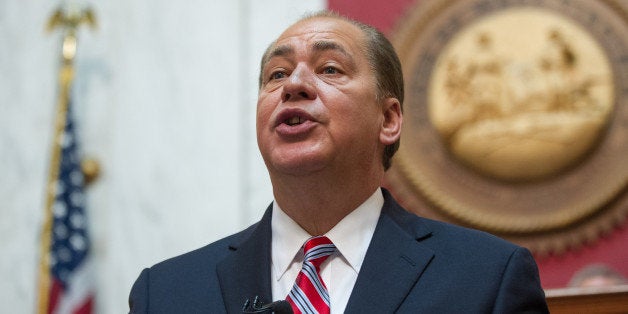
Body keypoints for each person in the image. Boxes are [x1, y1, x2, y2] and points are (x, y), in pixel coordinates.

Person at [129, 11, 549, 313]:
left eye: (329, 69)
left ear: (388, 119)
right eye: (276, 75)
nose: (293, 85)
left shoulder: (487, 279)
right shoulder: (165, 293)